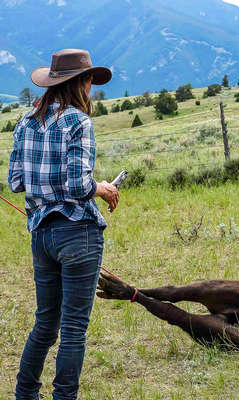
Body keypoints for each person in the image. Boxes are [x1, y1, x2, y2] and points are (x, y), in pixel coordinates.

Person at [8, 49, 118, 400]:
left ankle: (25, 394)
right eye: (89, 80)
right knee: (73, 328)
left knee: (45, 322)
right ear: (80, 83)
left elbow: (15, 181)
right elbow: (77, 187)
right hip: (77, 234)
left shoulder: (25, 121)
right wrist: (102, 187)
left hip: (40, 233)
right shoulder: (78, 122)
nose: (90, 87)